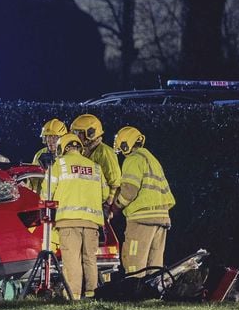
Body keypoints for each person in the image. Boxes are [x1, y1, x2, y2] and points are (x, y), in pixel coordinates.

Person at [49, 133, 109, 300]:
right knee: (90, 258)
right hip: (92, 222)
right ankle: (91, 293)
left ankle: (73, 295)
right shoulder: (95, 167)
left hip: (68, 220)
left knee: (72, 259)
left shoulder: (59, 164)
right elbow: (105, 194)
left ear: (63, 148)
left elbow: (47, 193)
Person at [113, 126, 176, 275]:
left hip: (141, 219)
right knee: (154, 263)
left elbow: (129, 190)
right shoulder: (152, 159)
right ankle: (152, 293)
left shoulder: (133, 160)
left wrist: (116, 206)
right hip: (161, 218)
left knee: (134, 260)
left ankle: (135, 291)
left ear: (125, 144)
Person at [70, 114, 121, 206]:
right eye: (74, 133)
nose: (76, 136)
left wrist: (108, 205)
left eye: (79, 133)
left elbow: (115, 181)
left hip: (101, 203)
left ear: (90, 133)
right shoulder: (82, 152)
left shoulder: (105, 152)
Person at [30, 118, 68, 193]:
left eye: (55, 137)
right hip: (42, 196)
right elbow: (32, 179)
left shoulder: (67, 154)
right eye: (48, 137)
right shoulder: (39, 154)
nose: (51, 141)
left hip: (61, 195)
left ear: (63, 138)